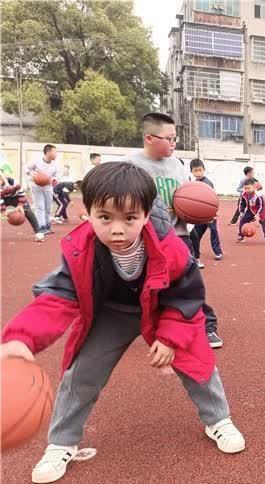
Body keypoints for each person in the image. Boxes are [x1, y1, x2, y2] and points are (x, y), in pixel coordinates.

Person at [0, 163, 244, 484]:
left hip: (164, 309)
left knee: (198, 363)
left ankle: (219, 420)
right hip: (113, 311)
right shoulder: (80, 248)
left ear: (145, 215)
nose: (118, 229)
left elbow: (187, 295)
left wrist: (170, 337)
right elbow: (58, 295)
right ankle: (62, 442)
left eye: (129, 218)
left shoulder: (169, 246)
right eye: (105, 217)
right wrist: (21, 339)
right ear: (86, 212)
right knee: (82, 372)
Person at [120, 112, 222, 349]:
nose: (174, 143)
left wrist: (203, 211)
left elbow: (188, 197)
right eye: (169, 138)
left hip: (177, 235)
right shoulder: (128, 165)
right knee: (144, 285)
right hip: (143, 238)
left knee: (189, 283)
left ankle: (206, 327)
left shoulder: (176, 165)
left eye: (175, 138)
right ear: (149, 138)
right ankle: (155, 326)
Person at [188, 159, 223, 268]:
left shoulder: (208, 183)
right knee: (196, 234)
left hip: (209, 213)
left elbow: (212, 199)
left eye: (200, 170)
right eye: (195, 171)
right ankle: (195, 255)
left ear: (204, 170)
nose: (198, 173)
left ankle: (218, 252)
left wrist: (214, 212)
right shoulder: (192, 183)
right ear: (192, 172)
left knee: (213, 231)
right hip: (199, 215)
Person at [0, 170, 43, 241]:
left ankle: (38, 233)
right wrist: (3, 211)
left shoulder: (12, 181)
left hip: (16, 197)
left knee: (29, 212)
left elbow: (21, 193)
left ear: (1, 177)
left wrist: (20, 205)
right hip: (3, 199)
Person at [26, 144, 59, 236]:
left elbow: (56, 176)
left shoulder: (54, 164)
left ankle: (48, 226)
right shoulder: (36, 161)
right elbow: (26, 168)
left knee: (48, 207)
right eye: (55, 152)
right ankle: (41, 226)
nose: (56, 154)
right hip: (36, 186)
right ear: (48, 152)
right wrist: (31, 173)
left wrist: (53, 179)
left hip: (48, 187)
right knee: (40, 206)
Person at [237, 179, 265, 244]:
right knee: (242, 220)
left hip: (262, 210)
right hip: (251, 210)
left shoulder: (258, 195)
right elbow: (242, 203)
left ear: (253, 187)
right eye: (245, 188)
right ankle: (241, 236)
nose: (247, 190)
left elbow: (262, 206)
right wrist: (241, 212)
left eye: (248, 188)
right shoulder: (244, 194)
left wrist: (258, 215)